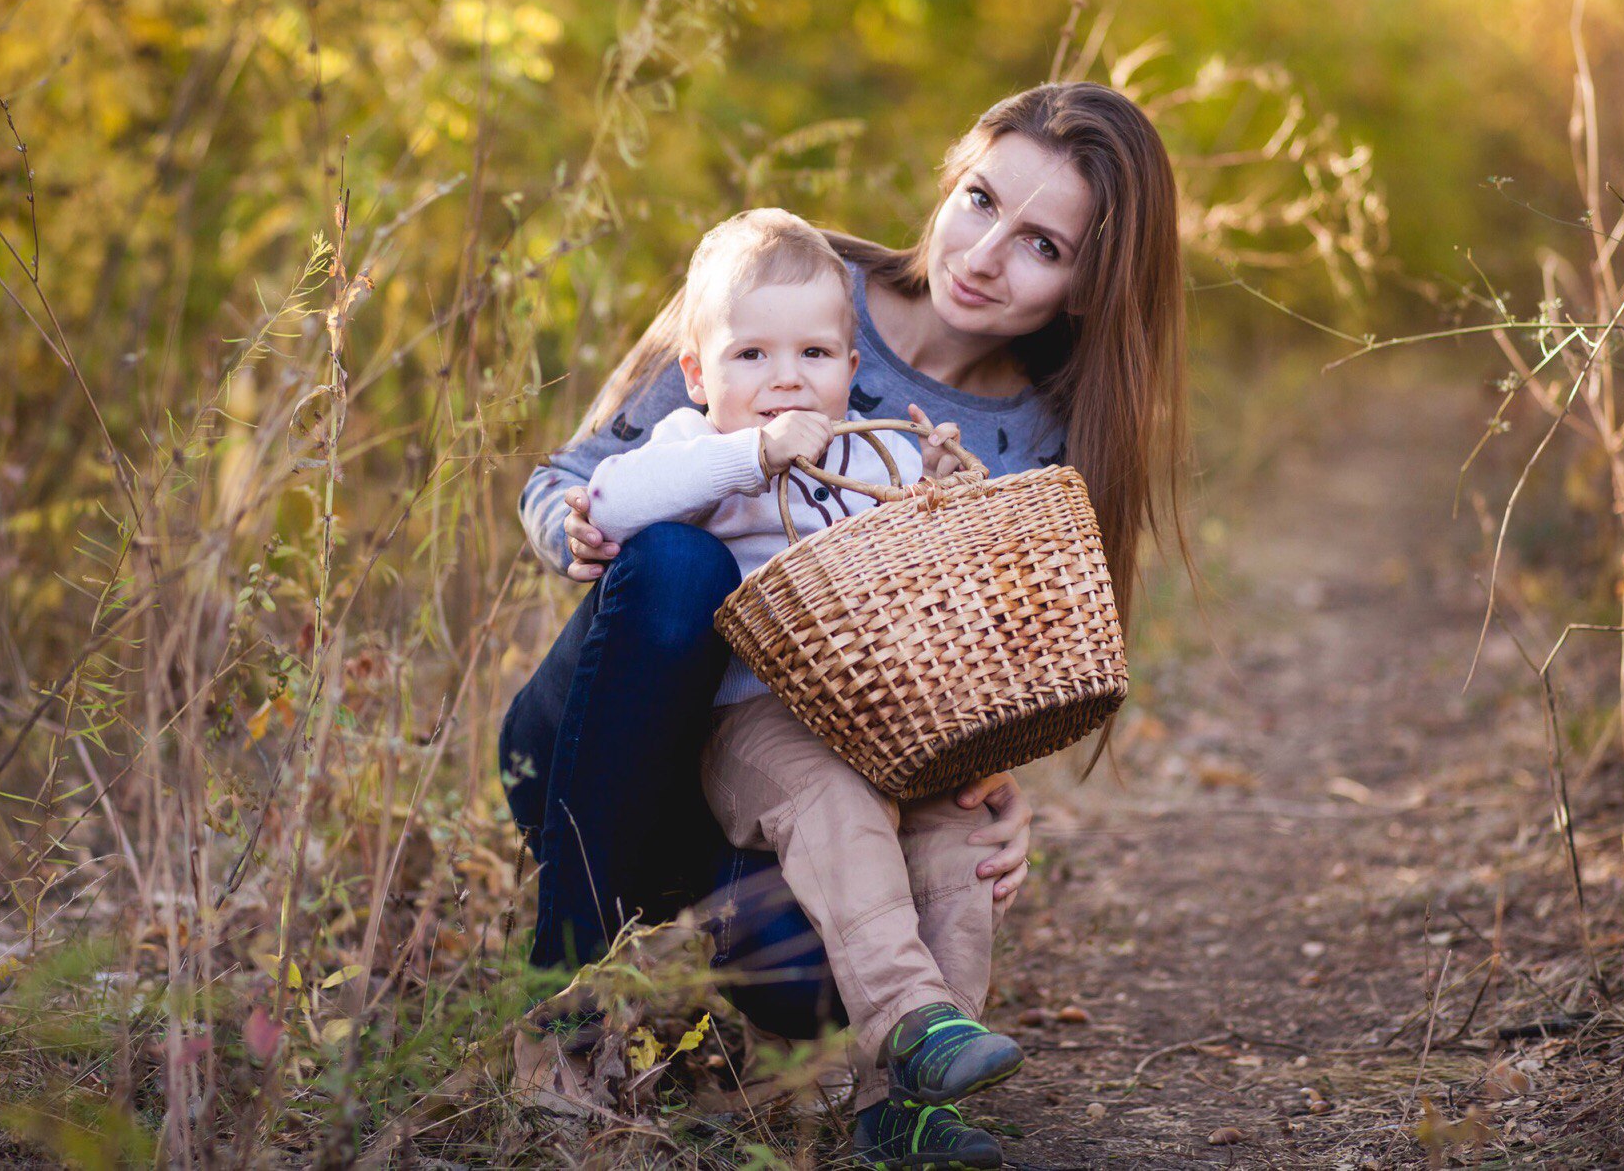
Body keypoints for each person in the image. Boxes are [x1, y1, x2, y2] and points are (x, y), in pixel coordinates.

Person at [499, 82, 1187, 1152]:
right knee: (679, 562)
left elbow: (994, 656)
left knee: (868, 912)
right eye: (977, 199)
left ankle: (908, 1095)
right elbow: (579, 476)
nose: (984, 252)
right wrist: (570, 530)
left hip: (811, 798)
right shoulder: (788, 278)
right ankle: (560, 1008)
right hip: (617, 741)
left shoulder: (1038, 445)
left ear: (1088, 287)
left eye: (1042, 246)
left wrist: (999, 779)